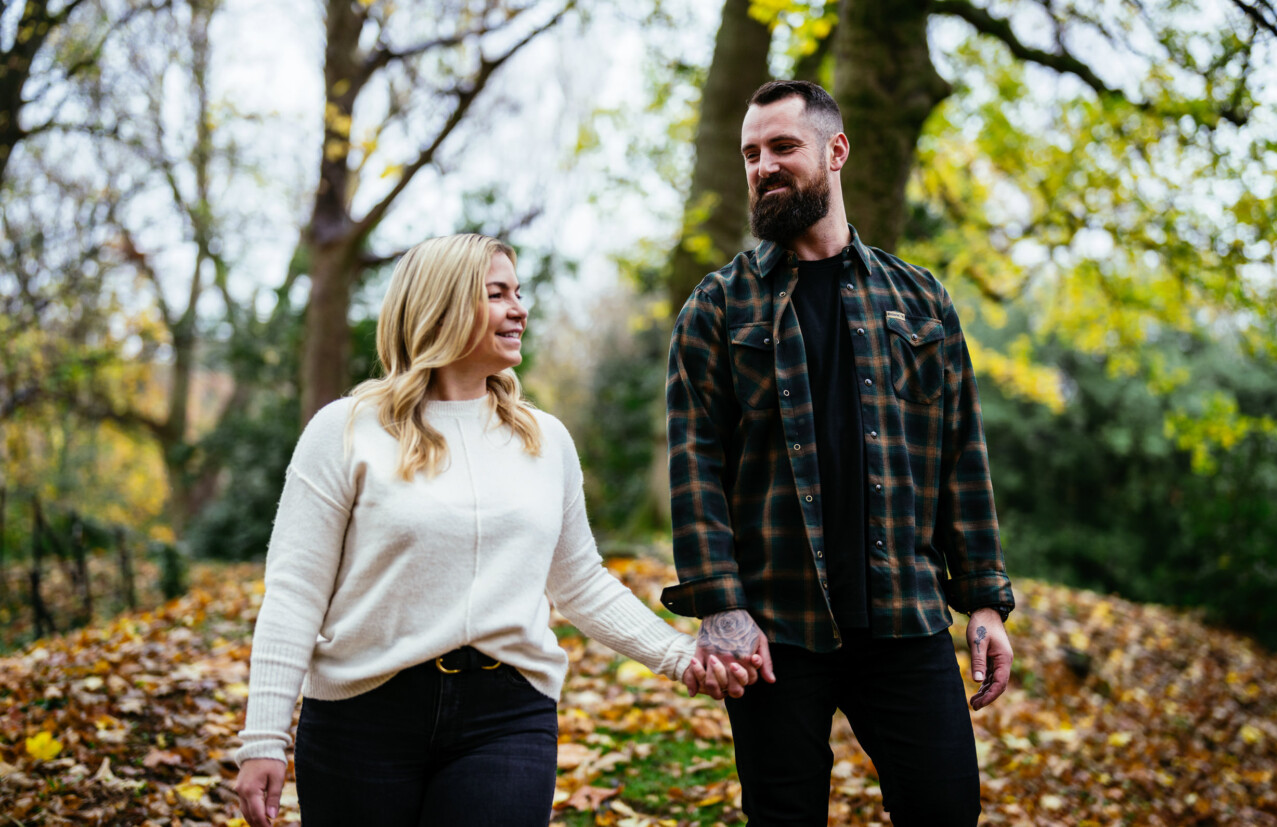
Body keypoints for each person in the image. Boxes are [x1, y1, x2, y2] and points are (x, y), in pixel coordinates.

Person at [232, 234, 737, 827]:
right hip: (363, 715)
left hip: (507, 718)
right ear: (439, 307)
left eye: (518, 293)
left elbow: (579, 582)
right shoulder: (345, 431)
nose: (519, 308)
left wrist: (678, 656)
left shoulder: (545, 440)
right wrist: (263, 736)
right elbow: (295, 590)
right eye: (496, 294)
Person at [660, 80, 1016, 826]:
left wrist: (983, 597)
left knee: (947, 808)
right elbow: (696, 469)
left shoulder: (921, 301)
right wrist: (720, 605)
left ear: (836, 150)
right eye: (751, 153)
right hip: (775, 630)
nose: (763, 166)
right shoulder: (717, 309)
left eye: (783, 147)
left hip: (906, 619)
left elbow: (961, 456)